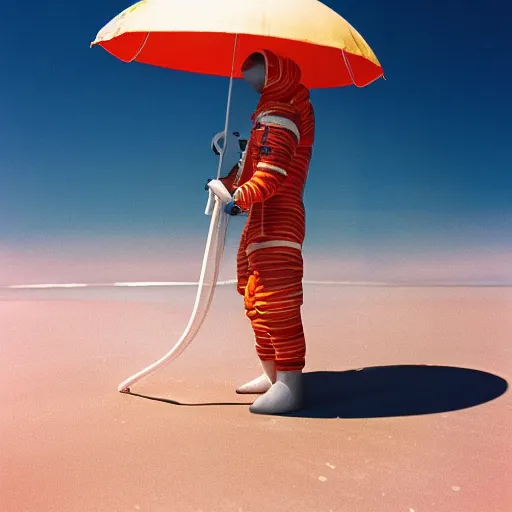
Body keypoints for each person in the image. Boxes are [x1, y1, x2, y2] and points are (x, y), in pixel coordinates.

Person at [217, 49, 315, 414]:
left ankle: (291, 382)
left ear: (272, 75)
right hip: (260, 219)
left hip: (279, 218)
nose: (251, 82)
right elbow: (250, 168)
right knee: (253, 294)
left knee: (277, 298)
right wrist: (227, 181)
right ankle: (272, 372)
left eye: (256, 75)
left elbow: (273, 171)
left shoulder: (282, 115)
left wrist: (240, 197)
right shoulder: (265, 118)